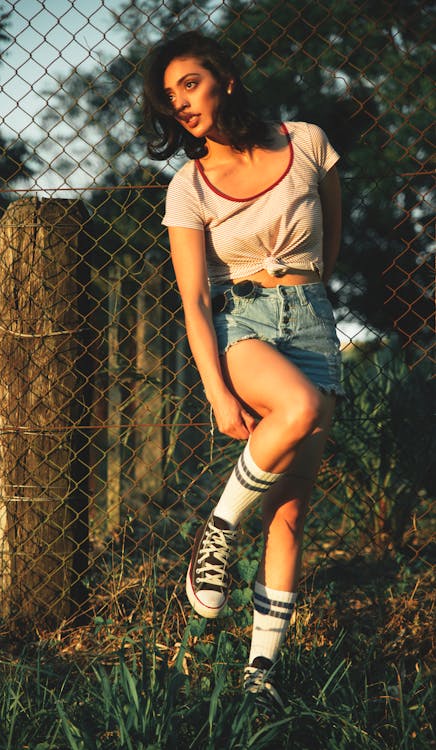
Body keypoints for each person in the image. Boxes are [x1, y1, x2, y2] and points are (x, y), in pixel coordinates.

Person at [142, 30, 343, 712]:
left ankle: (260, 678)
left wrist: (308, 293)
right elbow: (195, 300)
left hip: (312, 319)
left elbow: (331, 236)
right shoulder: (187, 187)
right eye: (169, 98)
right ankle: (220, 527)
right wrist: (217, 393)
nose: (180, 104)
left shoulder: (308, 143)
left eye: (189, 84)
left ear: (225, 78)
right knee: (301, 407)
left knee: (288, 516)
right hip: (245, 325)